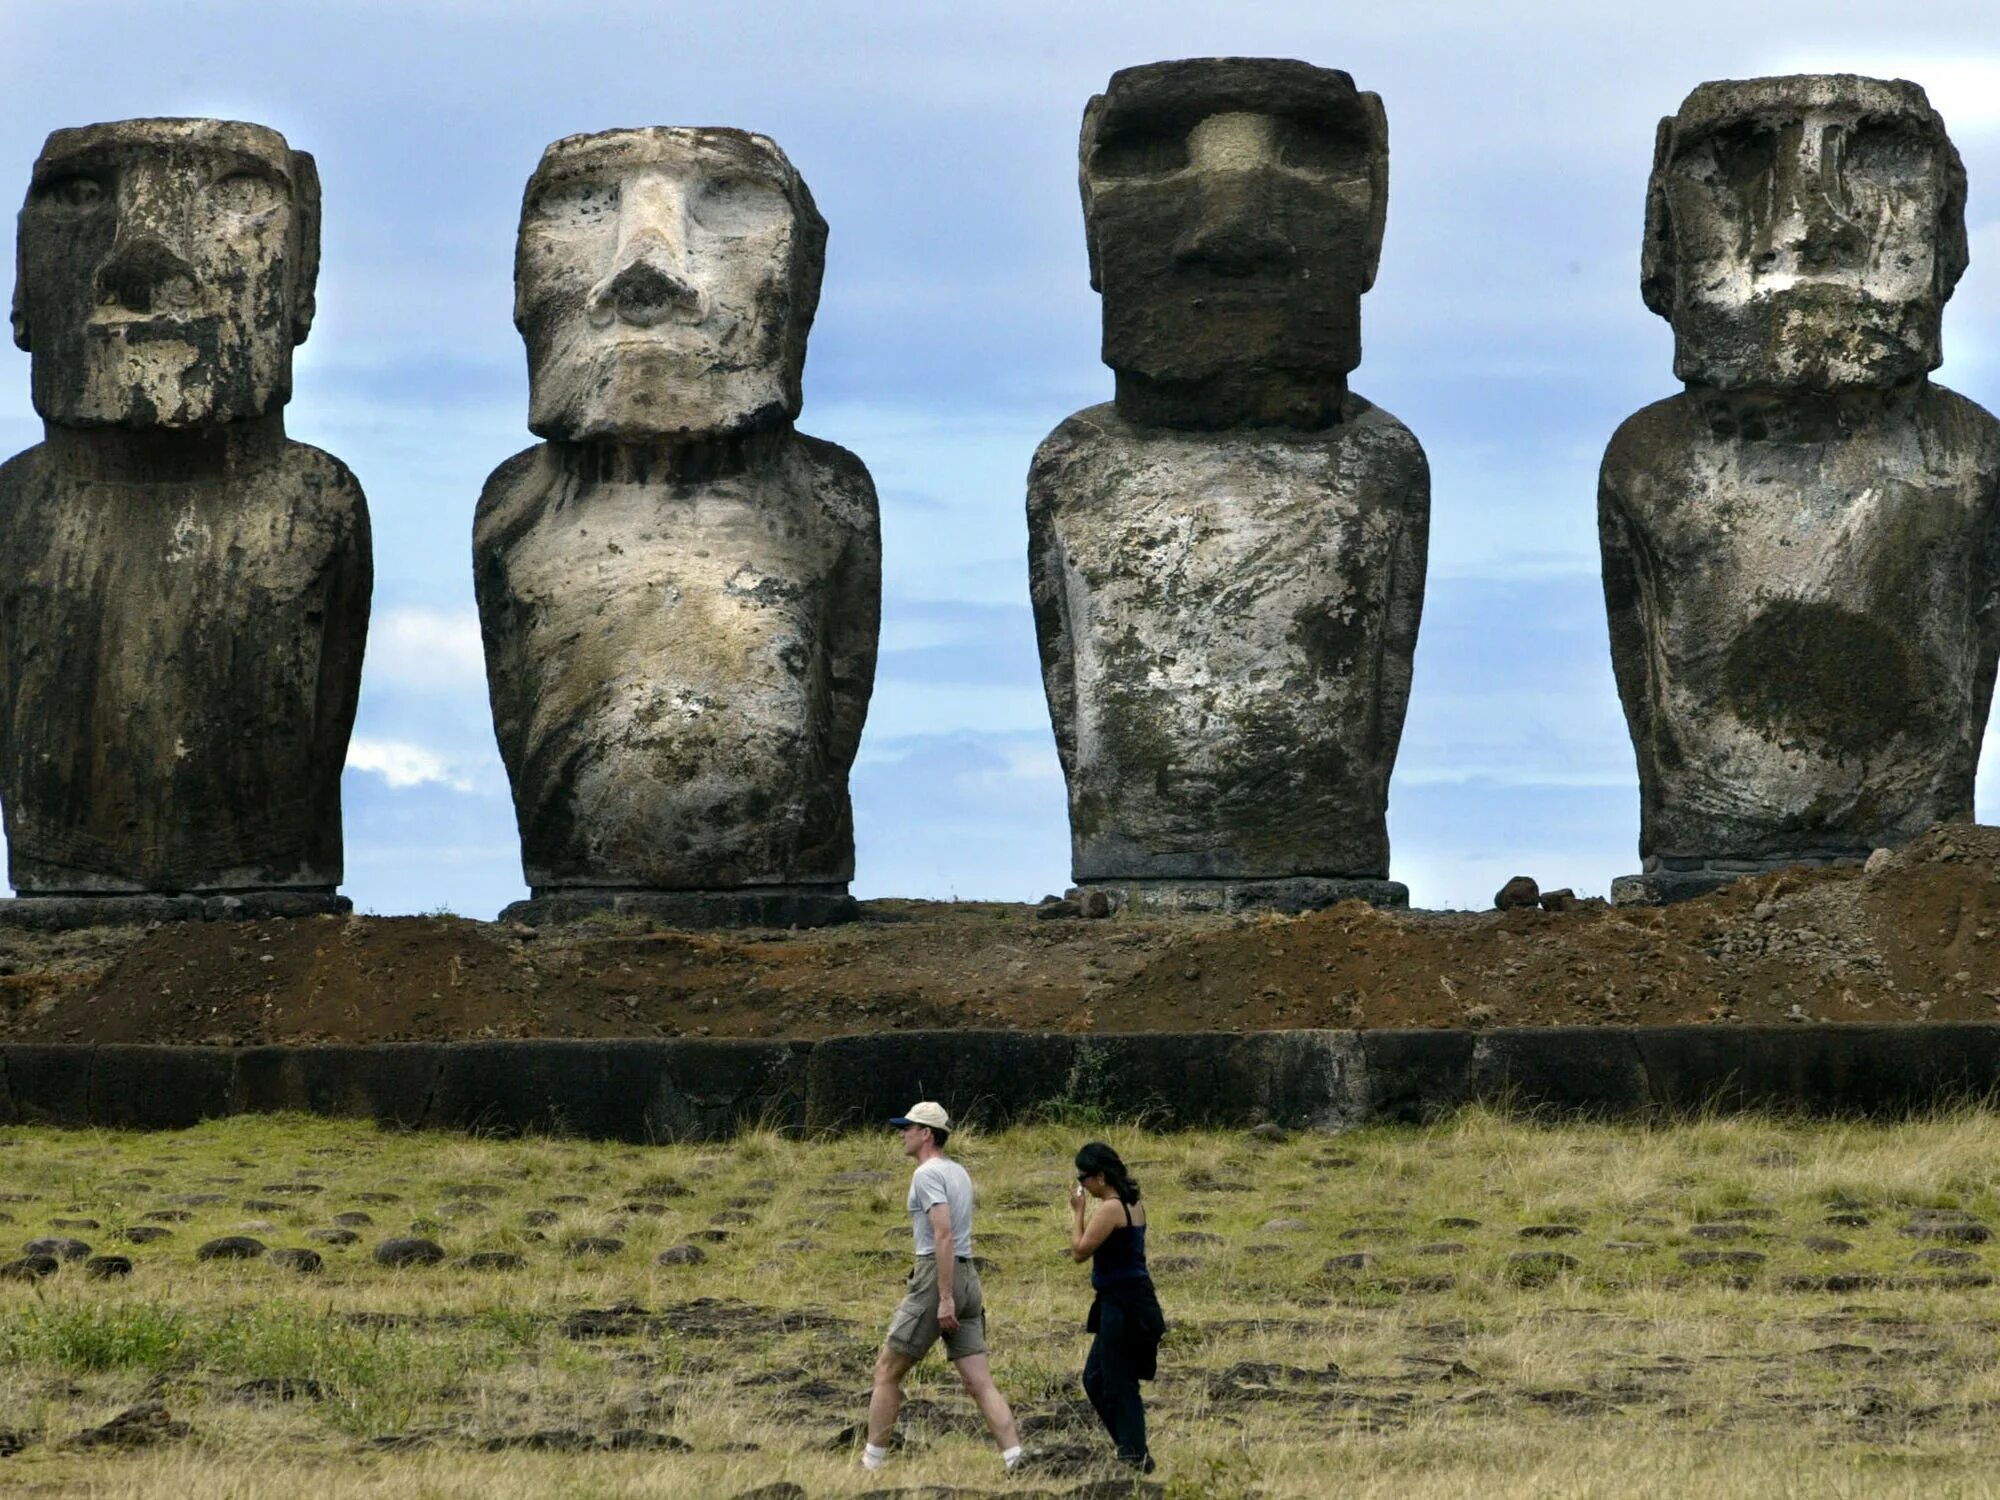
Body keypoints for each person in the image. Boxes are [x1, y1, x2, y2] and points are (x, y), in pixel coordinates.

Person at [864, 1101, 1024, 1473]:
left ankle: (870, 1464)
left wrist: (945, 1297)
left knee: (886, 1372)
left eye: (909, 1127)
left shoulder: (926, 1174)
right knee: (980, 1382)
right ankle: (1016, 1457)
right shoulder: (959, 1172)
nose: (902, 1134)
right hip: (968, 1276)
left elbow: (944, 1233)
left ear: (927, 1134)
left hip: (940, 1277)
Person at [1069, 1139, 1165, 1473]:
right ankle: (1131, 1447)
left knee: (1116, 1380)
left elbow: (1080, 1251)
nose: (1081, 1184)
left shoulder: (1110, 1209)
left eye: (1084, 1178)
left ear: (1101, 1176)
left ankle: (1134, 1454)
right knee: (1097, 1377)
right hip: (1132, 1299)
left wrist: (1078, 1213)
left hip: (1123, 1305)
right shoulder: (1133, 1203)